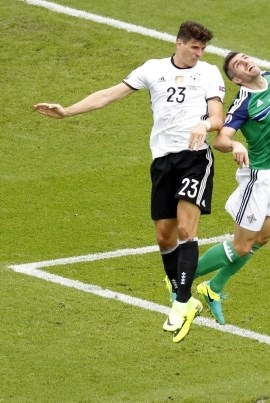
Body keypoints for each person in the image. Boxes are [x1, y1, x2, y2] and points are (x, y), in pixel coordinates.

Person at [33, 21, 225, 343]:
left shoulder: (208, 74)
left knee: (185, 229)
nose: (199, 53)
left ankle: (181, 304)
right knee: (164, 237)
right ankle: (185, 296)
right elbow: (109, 95)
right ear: (179, 43)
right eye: (195, 47)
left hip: (194, 157)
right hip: (163, 161)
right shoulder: (152, 69)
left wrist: (204, 125)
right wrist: (68, 111)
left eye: (203, 49)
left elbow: (218, 117)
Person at [193, 52, 270, 324]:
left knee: (261, 239)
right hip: (260, 177)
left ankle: (212, 288)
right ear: (237, 79)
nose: (245, 61)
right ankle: (180, 278)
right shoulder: (244, 104)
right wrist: (236, 145)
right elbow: (221, 139)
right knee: (240, 245)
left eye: (245, 57)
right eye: (238, 64)